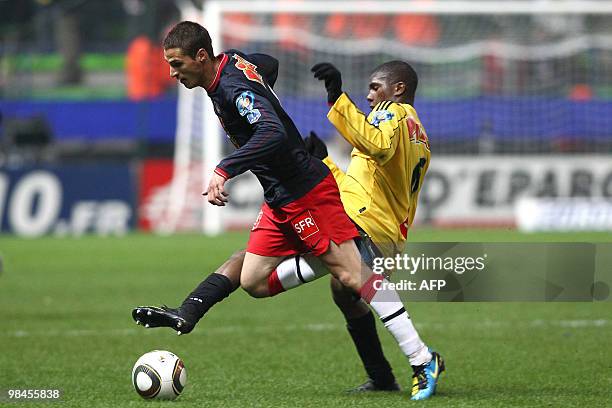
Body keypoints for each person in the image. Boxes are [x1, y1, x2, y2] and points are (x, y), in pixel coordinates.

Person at [134, 21, 443, 401]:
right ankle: (189, 310)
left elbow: (272, 133)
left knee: (352, 276)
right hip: (281, 197)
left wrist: (224, 168)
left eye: (177, 64)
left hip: (306, 191)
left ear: (201, 57)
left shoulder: (233, 88)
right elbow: (268, 64)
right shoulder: (232, 65)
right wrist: (263, 92)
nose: (172, 73)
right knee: (254, 280)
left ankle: (421, 358)